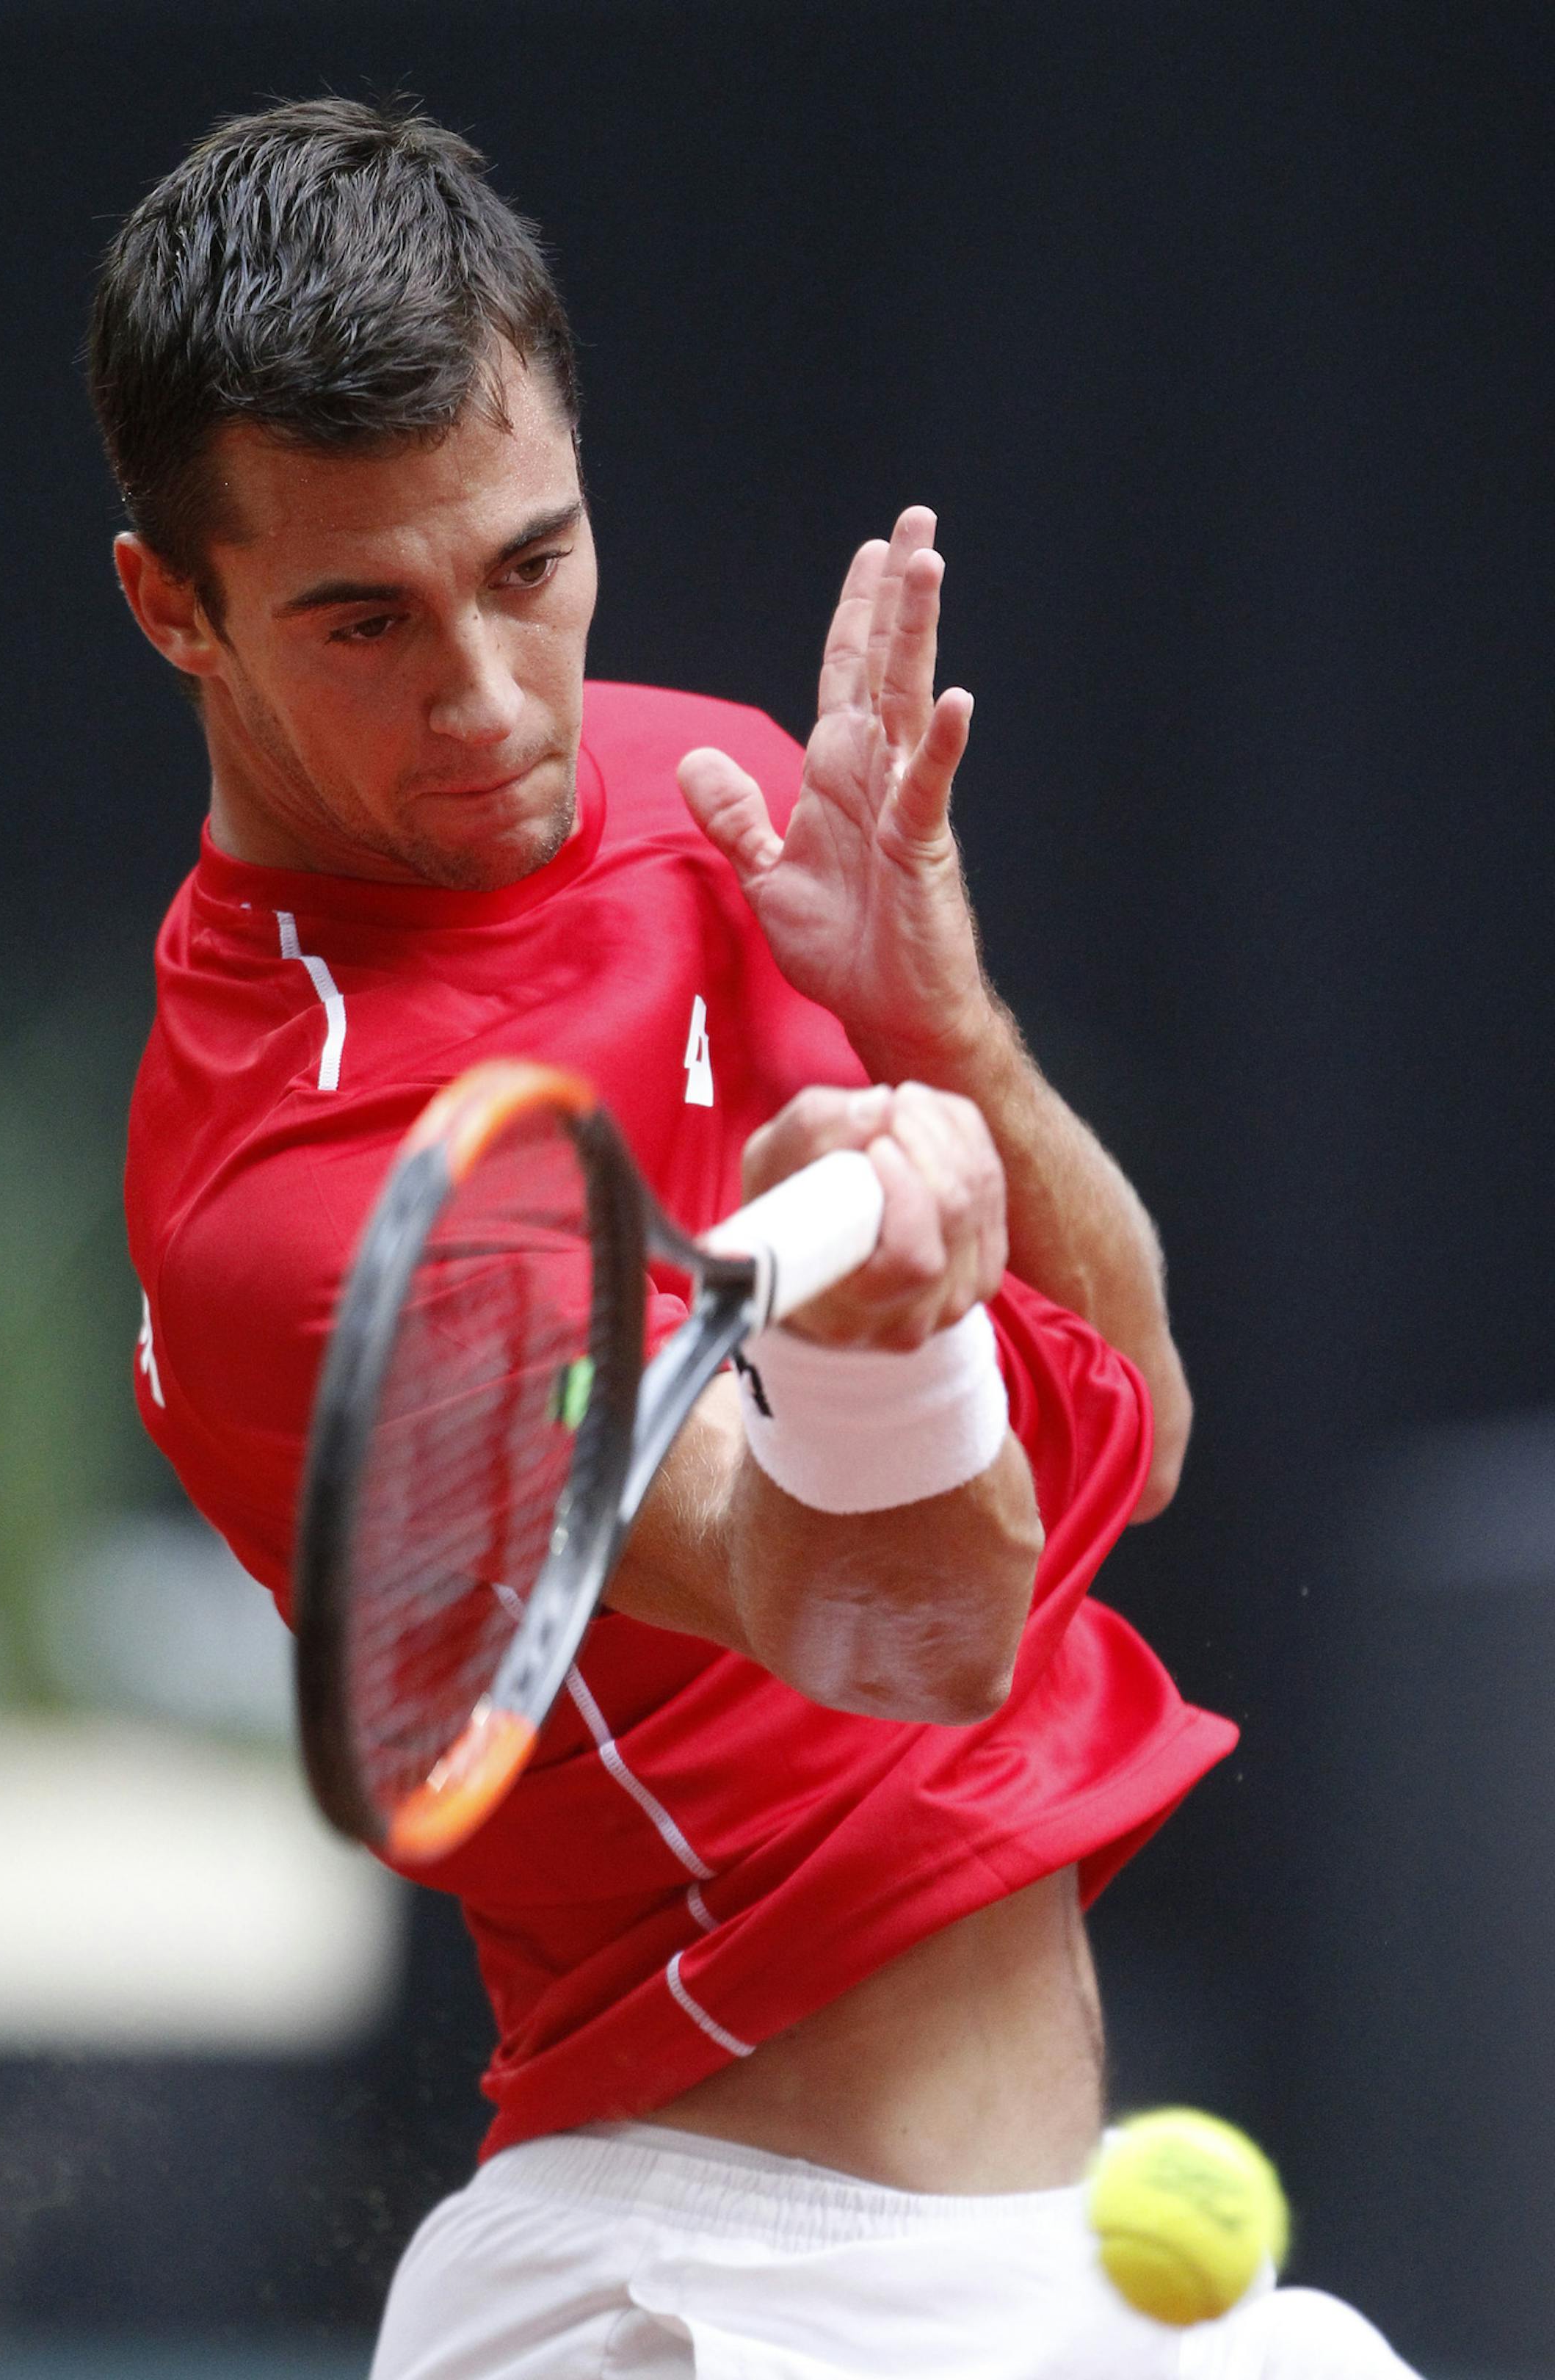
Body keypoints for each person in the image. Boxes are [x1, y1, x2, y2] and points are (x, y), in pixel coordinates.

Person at [93, 97, 1418, 2380]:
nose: (489, 699)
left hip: (1045, 2270)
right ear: (174, 609)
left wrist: (947, 1023)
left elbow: (1150, 1417)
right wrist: (891, 1352)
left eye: (530, 566)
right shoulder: (298, 1201)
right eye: (360, 620)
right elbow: (888, 1618)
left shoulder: (700, 793)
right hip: (702, 2286)